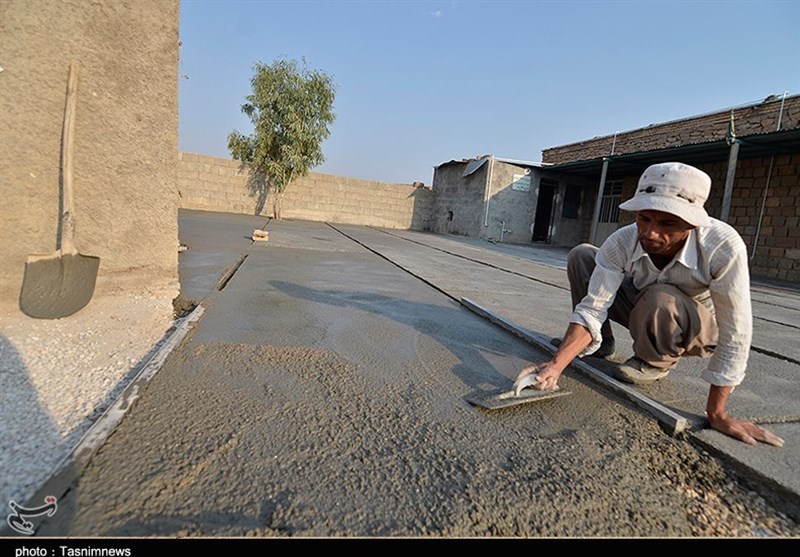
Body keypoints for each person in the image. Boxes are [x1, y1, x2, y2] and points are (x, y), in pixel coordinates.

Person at [514, 161, 784, 447]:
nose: (651, 233)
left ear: (691, 224)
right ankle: (600, 344)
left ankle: (655, 362)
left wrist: (717, 413)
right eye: (645, 218)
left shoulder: (723, 246)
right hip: (645, 307)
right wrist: (556, 366)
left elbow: (736, 331)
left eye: (667, 223)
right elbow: (593, 306)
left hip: (697, 328)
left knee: (660, 295)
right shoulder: (623, 241)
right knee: (582, 256)